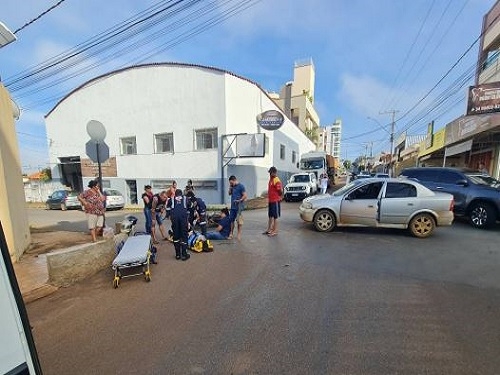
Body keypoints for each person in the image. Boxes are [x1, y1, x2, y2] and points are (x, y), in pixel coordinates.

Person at [169, 189, 190, 261]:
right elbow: (190, 208)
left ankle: (177, 255)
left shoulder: (171, 199)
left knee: (176, 236)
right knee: (184, 236)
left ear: (175, 194)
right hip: (183, 219)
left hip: (174, 219)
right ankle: (184, 254)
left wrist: (170, 216)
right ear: (181, 194)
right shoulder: (185, 198)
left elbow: (168, 209)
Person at [263, 166, 283, 237]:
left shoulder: (276, 180)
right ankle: (269, 230)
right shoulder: (271, 180)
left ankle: (275, 231)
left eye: (271, 173)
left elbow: (280, 191)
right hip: (271, 201)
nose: (270, 174)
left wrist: (279, 196)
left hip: (275, 201)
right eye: (270, 173)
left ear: (274, 173)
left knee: (275, 216)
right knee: (270, 216)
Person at [228, 175, 247, 241]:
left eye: (231, 183)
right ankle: (231, 233)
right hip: (233, 206)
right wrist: (230, 188)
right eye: (230, 183)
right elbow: (229, 194)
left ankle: (239, 234)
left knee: (239, 221)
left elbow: (245, 195)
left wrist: (239, 200)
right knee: (231, 220)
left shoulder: (241, 186)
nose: (231, 184)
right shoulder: (232, 187)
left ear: (234, 180)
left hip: (239, 207)